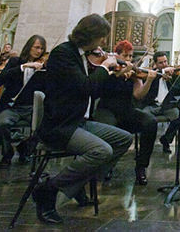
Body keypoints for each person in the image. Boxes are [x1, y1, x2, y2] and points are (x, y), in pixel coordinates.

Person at [32, 14, 132, 225]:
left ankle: (76, 185)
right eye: (102, 37)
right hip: (60, 124)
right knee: (101, 151)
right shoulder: (63, 54)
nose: (104, 43)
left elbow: (94, 90)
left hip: (78, 120)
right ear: (91, 35)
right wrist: (104, 68)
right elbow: (86, 88)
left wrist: (112, 74)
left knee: (123, 139)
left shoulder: (81, 55)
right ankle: (49, 189)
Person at [94, 39, 157, 186]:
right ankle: (107, 165)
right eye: (125, 55)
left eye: (130, 56)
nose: (128, 59)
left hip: (126, 110)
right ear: (116, 55)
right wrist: (120, 72)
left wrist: (148, 81)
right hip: (107, 109)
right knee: (110, 127)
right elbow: (101, 87)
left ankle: (141, 166)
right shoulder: (108, 69)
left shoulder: (133, 74)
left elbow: (138, 95)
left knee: (150, 122)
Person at [0, 34, 47, 167]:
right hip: (13, 107)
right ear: (29, 47)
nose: (39, 51)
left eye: (42, 49)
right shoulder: (15, 62)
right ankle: (7, 153)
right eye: (36, 47)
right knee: (0, 125)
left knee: (47, 126)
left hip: (32, 108)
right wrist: (23, 67)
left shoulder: (44, 67)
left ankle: (25, 148)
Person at [137, 51, 180, 153]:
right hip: (151, 105)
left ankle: (166, 140)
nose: (164, 65)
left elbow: (178, 90)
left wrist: (170, 80)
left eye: (165, 61)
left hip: (166, 106)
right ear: (156, 64)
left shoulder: (172, 74)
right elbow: (145, 93)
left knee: (177, 115)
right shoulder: (151, 75)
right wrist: (160, 75)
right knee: (145, 118)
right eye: (161, 63)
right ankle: (144, 148)